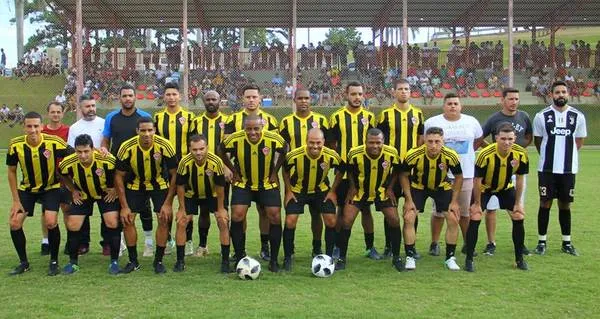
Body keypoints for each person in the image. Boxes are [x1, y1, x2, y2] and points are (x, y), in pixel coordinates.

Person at [7, 112, 73, 276]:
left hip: (51, 188)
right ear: (24, 127)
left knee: (51, 222)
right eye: (29, 126)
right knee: (15, 223)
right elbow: (11, 172)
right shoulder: (15, 145)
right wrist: (16, 201)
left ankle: (54, 261)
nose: (33, 130)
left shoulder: (55, 142)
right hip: (27, 190)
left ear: (42, 126)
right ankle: (24, 262)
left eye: (36, 126)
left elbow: (75, 155)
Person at [218, 115, 286, 272]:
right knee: (237, 215)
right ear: (244, 128)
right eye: (248, 129)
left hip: (267, 182)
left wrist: (275, 171)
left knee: (274, 215)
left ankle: (274, 260)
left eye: (256, 128)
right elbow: (220, 150)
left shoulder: (273, 138)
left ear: (262, 127)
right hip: (244, 183)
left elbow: (285, 150)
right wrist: (233, 170)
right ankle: (240, 256)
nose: (252, 132)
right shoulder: (235, 139)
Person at [115, 117, 178, 274]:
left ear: (154, 130)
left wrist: (168, 203)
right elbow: (118, 176)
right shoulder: (127, 147)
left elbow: (174, 173)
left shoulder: (165, 145)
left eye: (150, 130)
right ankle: (133, 261)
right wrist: (123, 206)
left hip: (159, 184)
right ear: (137, 131)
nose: (147, 134)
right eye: (143, 130)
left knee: (163, 219)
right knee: (128, 220)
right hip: (135, 185)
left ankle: (158, 261)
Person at [335, 128, 403, 271]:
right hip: (360, 192)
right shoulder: (354, 153)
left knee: (394, 220)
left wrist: (390, 188)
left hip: (381, 191)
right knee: (346, 220)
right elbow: (350, 171)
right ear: (365, 142)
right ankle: (342, 258)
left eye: (378, 142)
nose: (375, 146)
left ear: (383, 142)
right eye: (371, 142)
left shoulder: (391, 153)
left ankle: (396, 257)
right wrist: (352, 187)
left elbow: (397, 170)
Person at [464, 123, 529, 272]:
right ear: (496, 138)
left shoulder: (521, 154)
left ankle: (519, 259)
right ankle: (469, 259)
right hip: (485, 189)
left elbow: (520, 179)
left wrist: (518, 203)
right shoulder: (485, 154)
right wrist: (477, 203)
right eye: (503, 138)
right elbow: (477, 181)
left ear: (515, 138)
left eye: (510, 139)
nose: (507, 142)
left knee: (518, 216)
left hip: (506, 189)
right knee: (475, 216)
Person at [224, 84, 278, 261]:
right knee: (240, 213)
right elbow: (226, 147)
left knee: (265, 212)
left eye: (254, 97)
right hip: (243, 176)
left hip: (264, 177)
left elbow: (277, 148)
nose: (251, 100)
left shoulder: (270, 119)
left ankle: (265, 247)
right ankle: (240, 250)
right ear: (243, 99)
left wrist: (275, 170)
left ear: (260, 98)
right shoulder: (233, 119)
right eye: (248, 97)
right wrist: (228, 168)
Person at [424, 93, 483, 256]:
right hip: (441, 175)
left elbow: (478, 141)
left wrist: (464, 156)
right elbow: (426, 142)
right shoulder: (432, 122)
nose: (452, 106)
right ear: (443, 105)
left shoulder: (471, 121)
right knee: (439, 213)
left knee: (464, 212)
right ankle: (434, 243)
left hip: (465, 174)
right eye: (449, 103)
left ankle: (467, 243)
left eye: (455, 103)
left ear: (460, 106)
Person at [533, 81, 587, 256]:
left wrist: (566, 154)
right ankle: (542, 242)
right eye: (557, 92)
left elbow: (578, 141)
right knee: (545, 203)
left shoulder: (577, 116)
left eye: (564, 92)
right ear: (551, 94)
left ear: (568, 94)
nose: (561, 95)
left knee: (565, 205)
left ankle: (567, 242)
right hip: (547, 169)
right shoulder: (542, 116)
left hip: (568, 169)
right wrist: (551, 156)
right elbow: (538, 141)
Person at [101, 84, 155, 257]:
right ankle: (121, 242)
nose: (128, 99)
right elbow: (106, 140)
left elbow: (152, 139)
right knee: (118, 205)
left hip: (140, 169)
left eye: (130, 95)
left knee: (145, 207)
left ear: (135, 97)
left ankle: (148, 242)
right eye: (124, 96)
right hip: (118, 169)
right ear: (120, 98)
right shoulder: (111, 117)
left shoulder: (145, 116)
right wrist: (104, 150)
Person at [328, 81, 380, 260]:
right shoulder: (336, 117)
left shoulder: (370, 117)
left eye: (360, 94)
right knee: (342, 210)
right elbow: (332, 144)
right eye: (353, 94)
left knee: (366, 210)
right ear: (346, 95)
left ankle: (370, 247)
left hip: (365, 171)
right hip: (343, 171)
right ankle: (337, 246)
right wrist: (339, 163)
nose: (357, 97)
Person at [400, 127, 463, 271]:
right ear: (424, 141)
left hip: (442, 186)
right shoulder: (414, 154)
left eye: (437, 141)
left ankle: (450, 258)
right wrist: (408, 200)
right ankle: (410, 256)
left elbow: (459, 177)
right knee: (409, 217)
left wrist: (454, 201)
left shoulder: (450, 155)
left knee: (453, 218)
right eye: (430, 141)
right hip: (418, 186)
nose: (433, 145)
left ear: (443, 141)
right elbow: (403, 175)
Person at [479, 88, 532, 256]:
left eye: (516, 98)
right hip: (494, 171)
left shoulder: (524, 116)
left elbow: (529, 136)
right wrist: (493, 150)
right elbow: (480, 137)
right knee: (492, 209)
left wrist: (517, 151)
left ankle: (519, 244)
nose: (514, 102)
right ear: (503, 100)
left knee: (517, 206)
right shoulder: (495, 118)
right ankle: (491, 242)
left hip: (515, 169)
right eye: (510, 99)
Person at [59, 134, 121, 275]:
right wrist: (73, 190)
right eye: (79, 152)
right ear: (75, 150)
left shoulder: (107, 160)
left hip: (105, 193)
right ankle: (73, 263)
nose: (82, 155)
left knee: (111, 222)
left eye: (86, 151)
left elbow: (120, 174)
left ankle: (114, 262)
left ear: (93, 149)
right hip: (83, 194)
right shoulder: (67, 163)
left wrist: (115, 189)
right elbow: (62, 175)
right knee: (73, 224)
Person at [282, 128, 342, 271]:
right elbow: (284, 170)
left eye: (318, 143)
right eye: (311, 142)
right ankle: (288, 256)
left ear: (323, 142)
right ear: (306, 141)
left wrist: (333, 191)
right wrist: (288, 191)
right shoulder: (294, 155)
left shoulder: (331, 155)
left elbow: (340, 170)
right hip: (298, 191)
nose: (315, 146)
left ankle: (325, 254)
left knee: (330, 220)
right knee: (290, 220)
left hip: (321, 190)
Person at [279, 89, 330, 256]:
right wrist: (287, 190)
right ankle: (289, 251)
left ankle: (317, 248)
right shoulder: (286, 122)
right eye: (300, 98)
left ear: (311, 100)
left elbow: (329, 148)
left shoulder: (321, 120)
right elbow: (282, 152)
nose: (303, 101)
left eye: (306, 98)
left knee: (317, 216)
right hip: (295, 181)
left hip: (318, 180)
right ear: (294, 100)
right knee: (291, 218)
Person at [377, 79, 424, 258]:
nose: (403, 92)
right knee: (390, 210)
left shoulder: (418, 114)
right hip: (390, 171)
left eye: (406, 89)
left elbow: (420, 139)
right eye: (400, 89)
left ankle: (410, 247)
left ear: (410, 92)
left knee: (412, 209)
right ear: (393, 92)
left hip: (411, 170)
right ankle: (390, 246)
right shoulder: (385, 115)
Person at [174, 135, 230, 273]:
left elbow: (220, 186)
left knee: (222, 220)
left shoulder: (216, 161)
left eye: (201, 149)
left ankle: (225, 262)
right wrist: (181, 208)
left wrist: (221, 208)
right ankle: (180, 261)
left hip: (212, 194)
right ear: (190, 149)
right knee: (181, 221)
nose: (198, 153)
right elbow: (180, 186)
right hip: (191, 194)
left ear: (207, 148)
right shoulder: (184, 162)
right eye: (194, 149)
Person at [153, 82, 195, 256]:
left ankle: (189, 240)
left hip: (185, 168)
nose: (171, 97)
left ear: (180, 96)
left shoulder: (189, 116)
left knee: (187, 206)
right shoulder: (157, 117)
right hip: (164, 169)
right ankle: (169, 239)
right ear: (164, 96)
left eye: (174, 94)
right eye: (168, 94)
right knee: (166, 206)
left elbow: (195, 142)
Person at [190, 90, 230, 257]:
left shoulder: (228, 121)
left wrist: (228, 166)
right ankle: (203, 245)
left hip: (221, 172)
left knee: (222, 211)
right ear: (203, 101)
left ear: (220, 101)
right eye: (208, 99)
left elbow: (230, 147)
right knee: (204, 210)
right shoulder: (197, 122)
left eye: (214, 99)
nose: (211, 102)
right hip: (200, 172)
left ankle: (225, 247)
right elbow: (191, 145)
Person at [67, 95, 107, 256]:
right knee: (83, 210)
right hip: (82, 176)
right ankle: (83, 243)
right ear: (80, 108)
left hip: (102, 175)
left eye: (93, 105)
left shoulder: (104, 123)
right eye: (87, 106)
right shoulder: (75, 128)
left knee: (107, 211)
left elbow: (107, 144)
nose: (91, 109)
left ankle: (107, 243)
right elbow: (70, 151)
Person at [41, 102, 71, 255]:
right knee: (46, 212)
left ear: (62, 114)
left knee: (66, 208)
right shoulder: (41, 131)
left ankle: (69, 241)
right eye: (53, 112)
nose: (56, 115)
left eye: (58, 112)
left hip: (64, 176)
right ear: (48, 114)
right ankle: (45, 241)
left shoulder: (68, 130)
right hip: (46, 178)